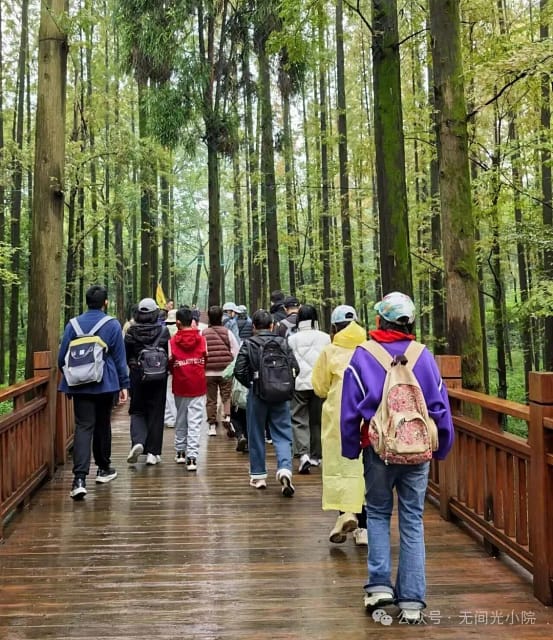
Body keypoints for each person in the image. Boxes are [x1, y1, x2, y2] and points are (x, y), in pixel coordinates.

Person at [340, 291, 455, 624]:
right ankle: (412, 600)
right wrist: (442, 445)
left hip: (379, 449)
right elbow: (439, 405)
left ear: (380, 320)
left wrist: (351, 446)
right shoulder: (423, 356)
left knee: (377, 513)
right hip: (417, 450)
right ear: (410, 323)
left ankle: (379, 587)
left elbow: (350, 408)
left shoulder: (363, 355)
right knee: (412, 519)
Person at [58, 284, 129, 500]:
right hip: (105, 383)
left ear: (87, 302)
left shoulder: (73, 325)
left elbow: (62, 358)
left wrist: (73, 375)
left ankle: (79, 480)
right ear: (105, 302)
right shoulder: (112, 324)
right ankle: (103, 469)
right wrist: (124, 385)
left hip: (79, 385)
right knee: (102, 423)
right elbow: (119, 359)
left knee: (83, 426)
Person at [312, 304, 368, 546]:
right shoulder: (369, 349)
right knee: (363, 470)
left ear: (334, 328)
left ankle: (345, 514)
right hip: (366, 417)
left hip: (337, 418)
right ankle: (363, 528)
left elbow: (320, 387)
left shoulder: (330, 351)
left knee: (339, 466)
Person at [234, 309, 299, 497]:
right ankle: (285, 469)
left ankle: (259, 476)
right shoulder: (283, 343)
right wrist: (284, 385)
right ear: (272, 325)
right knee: (283, 433)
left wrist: (252, 383)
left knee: (255, 433)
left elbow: (239, 370)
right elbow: (295, 368)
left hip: (257, 393)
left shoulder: (249, 343)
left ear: (254, 326)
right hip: (281, 394)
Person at [125, 297, 170, 466]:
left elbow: (127, 354)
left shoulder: (131, 331)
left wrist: (132, 365)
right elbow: (167, 354)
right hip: (158, 375)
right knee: (156, 412)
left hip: (137, 374)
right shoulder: (163, 331)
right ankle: (153, 452)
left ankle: (138, 441)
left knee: (137, 410)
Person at [287, 304, 330, 474]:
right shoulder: (325, 338)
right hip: (319, 384)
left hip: (299, 383)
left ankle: (303, 454)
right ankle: (316, 456)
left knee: (298, 419)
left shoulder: (292, 339)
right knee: (317, 420)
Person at [169, 306, 208, 472]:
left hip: (180, 384)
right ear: (192, 321)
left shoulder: (172, 341)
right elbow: (205, 358)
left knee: (181, 418)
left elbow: (170, 362)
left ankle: (180, 452)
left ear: (177, 322)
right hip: (198, 383)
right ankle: (192, 457)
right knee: (195, 421)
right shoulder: (201, 339)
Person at [202, 305, 240, 436]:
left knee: (211, 399)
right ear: (221, 317)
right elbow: (235, 351)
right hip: (226, 371)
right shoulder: (227, 332)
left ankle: (212, 426)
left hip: (209, 372)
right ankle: (228, 417)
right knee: (226, 396)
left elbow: (202, 351)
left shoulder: (204, 333)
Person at [164, 309, 178, 429]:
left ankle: (170, 418)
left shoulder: (164, 330)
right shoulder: (180, 331)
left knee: (168, 393)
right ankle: (178, 417)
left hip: (167, 367)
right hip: (179, 366)